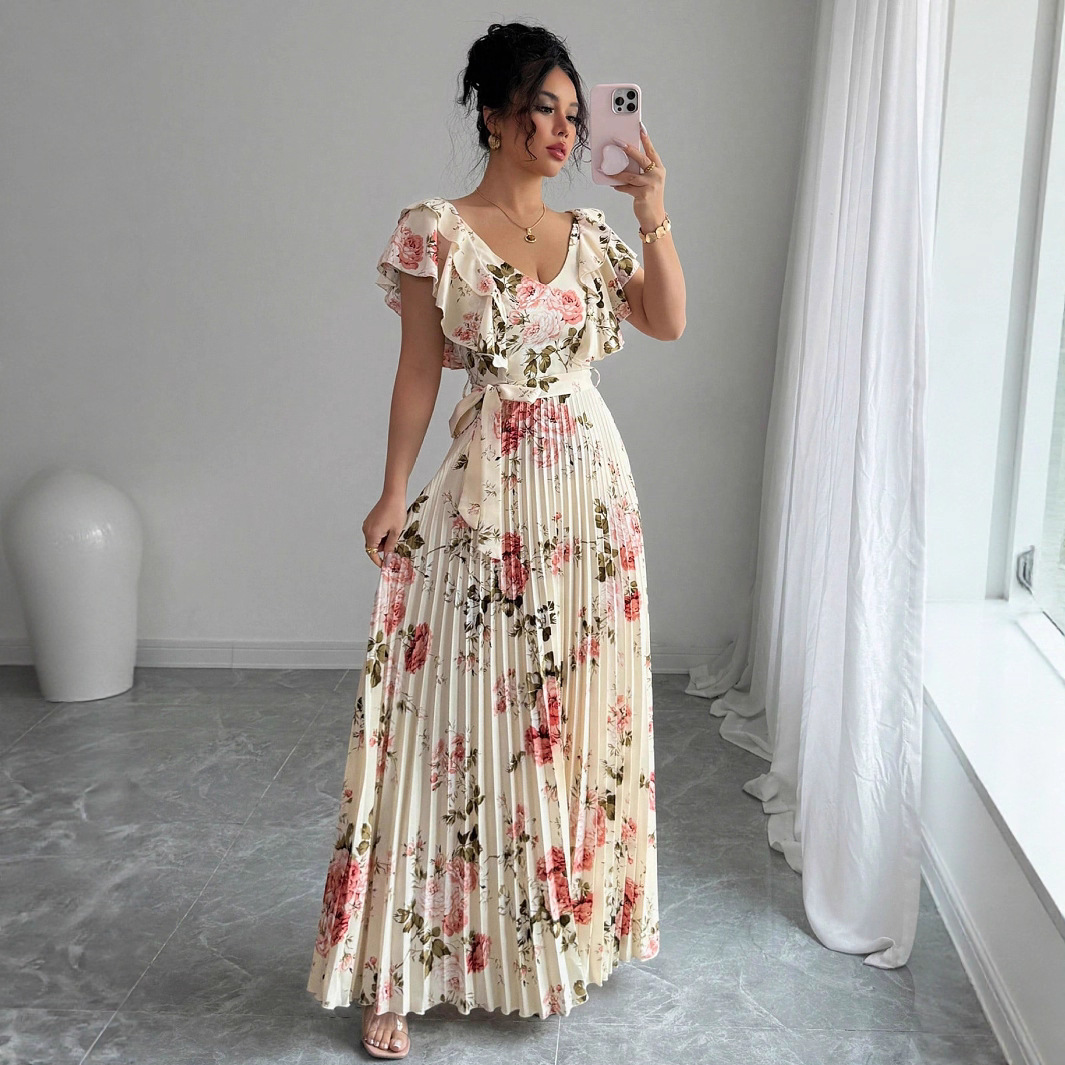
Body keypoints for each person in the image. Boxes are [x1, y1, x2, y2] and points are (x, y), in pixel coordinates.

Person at [306, 20, 685, 1059]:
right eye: (541, 110)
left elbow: (665, 320)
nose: (563, 130)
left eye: (572, 114)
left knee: (577, 722)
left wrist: (651, 209)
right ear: (492, 114)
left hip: (591, 503)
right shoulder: (436, 230)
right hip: (489, 498)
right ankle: (399, 969)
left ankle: (558, 938)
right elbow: (417, 370)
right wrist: (393, 491)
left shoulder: (591, 234)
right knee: (451, 727)